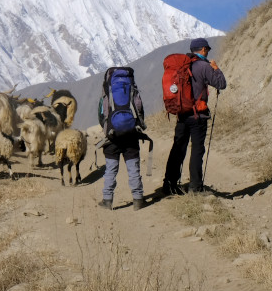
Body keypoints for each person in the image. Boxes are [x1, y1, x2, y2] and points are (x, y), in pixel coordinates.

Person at [162, 37, 227, 195]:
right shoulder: (203, 66)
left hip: (182, 114)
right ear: (203, 49)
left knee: (178, 149)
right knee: (197, 150)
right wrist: (216, 69)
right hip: (198, 115)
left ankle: (169, 185)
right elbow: (221, 84)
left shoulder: (182, 66)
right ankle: (195, 188)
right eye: (207, 50)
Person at [97, 67, 148, 211]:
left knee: (111, 169)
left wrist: (107, 129)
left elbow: (101, 113)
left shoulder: (107, 91)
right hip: (130, 134)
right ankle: (138, 200)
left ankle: (107, 200)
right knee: (133, 169)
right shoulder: (131, 88)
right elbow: (139, 107)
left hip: (113, 135)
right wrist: (138, 124)